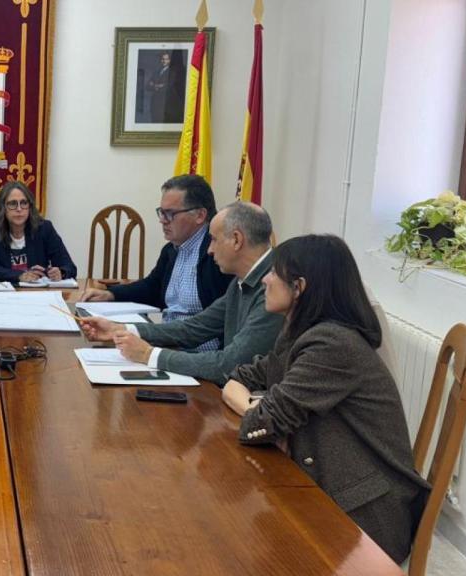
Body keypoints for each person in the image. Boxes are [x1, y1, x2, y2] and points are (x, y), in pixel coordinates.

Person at [221, 234, 430, 563]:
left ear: (299, 287)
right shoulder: (302, 333)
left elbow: (257, 425)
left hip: (365, 516)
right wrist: (259, 411)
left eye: (274, 272)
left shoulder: (331, 344)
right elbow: (240, 377)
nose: (265, 279)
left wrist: (261, 417)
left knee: (238, 543)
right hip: (329, 485)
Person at [80, 201, 284, 385]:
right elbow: (194, 328)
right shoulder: (245, 280)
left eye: (213, 240)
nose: (210, 250)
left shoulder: (276, 286)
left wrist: (149, 355)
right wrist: (119, 329)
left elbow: (229, 364)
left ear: (237, 240)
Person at [81, 175, 232, 351]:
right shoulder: (171, 250)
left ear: (200, 215)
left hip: (199, 352)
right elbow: (152, 287)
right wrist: (110, 294)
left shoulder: (219, 254)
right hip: (166, 342)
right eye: (161, 212)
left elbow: (218, 323)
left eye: (170, 214)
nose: (162, 220)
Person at [0, 181, 77, 283]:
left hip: (37, 293)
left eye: (24, 203)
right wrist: (20, 275)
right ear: (3, 208)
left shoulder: (44, 229)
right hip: (8, 292)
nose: (19, 209)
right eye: (12, 204)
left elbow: (69, 267)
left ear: (30, 207)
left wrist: (61, 272)